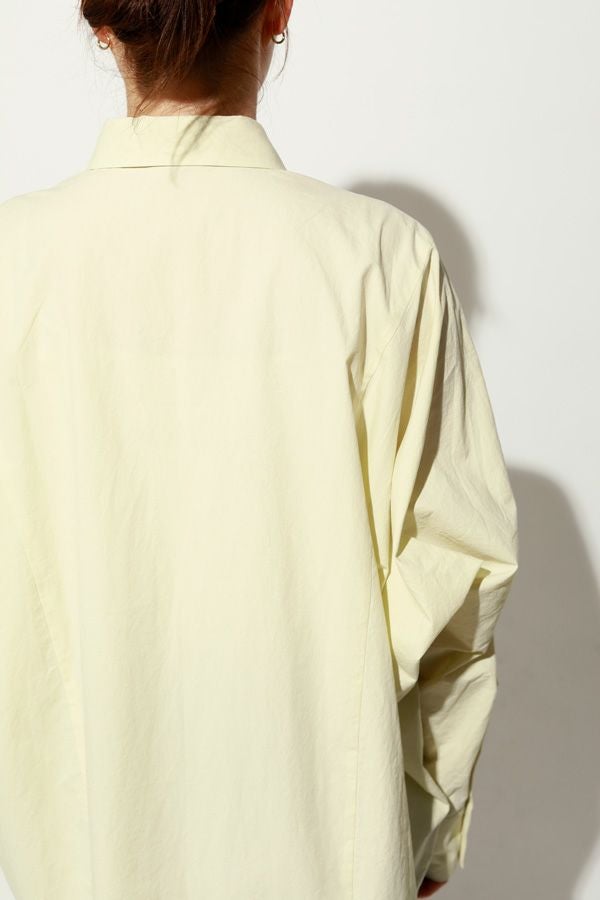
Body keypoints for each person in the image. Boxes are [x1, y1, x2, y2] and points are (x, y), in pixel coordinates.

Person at [0, 1, 519, 898]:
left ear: (102, 22)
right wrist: (423, 831)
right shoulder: (381, 258)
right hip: (329, 855)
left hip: (74, 857)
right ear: (278, 11)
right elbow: (459, 581)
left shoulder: (14, 262)